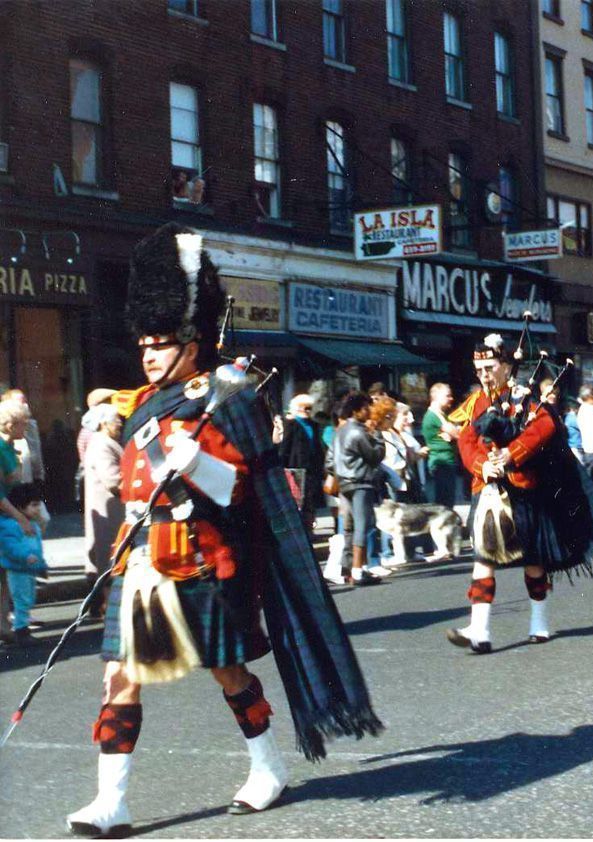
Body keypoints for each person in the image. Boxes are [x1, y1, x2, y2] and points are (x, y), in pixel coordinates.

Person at [67, 223, 380, 838]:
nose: (148, 354)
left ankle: (267, 768)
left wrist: (195, 463)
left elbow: (236, 488)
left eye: (161, 344)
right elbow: (134, 483)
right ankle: (113, 801)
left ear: (192, 343)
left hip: (202, 558)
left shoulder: (224, 397)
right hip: (144, 563)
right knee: (118, 676)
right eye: (144, 345)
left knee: (228, 673)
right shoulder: (140, 405)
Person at [445, 334, 593, 653]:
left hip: (522, 486)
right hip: (488, 488)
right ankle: (479, 630)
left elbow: (544, 427)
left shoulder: (525, 398)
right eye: (478, 368)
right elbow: (466, 443)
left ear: (506, 366)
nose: (483, 374)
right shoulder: (474, 404)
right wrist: (483, 466)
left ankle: (539, 620)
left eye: (489, 367)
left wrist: (512, 454)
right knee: (484, 557)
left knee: (532, 559)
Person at [330, 391, 386, 586]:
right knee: (363, 525)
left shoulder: (341, 431)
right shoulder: (357, 431)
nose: (368, 410)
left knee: (351, 526)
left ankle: (355, 568)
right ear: (356, 410)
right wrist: (378, 436)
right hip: (360, 480)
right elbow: (374, 455)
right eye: (365, 407)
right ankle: (358, 571)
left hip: (344, 481)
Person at [82, 404, 123, 621]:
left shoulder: (104, 442)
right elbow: (113, 479)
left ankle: (104, 606)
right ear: (104, 423)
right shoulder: (102, 445)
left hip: (109, 508)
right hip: (110, 511)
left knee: (108, 558)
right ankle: (108, 607)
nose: (120, 423)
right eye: (116, 419)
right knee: (109, 558)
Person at [0, 483, 49, 646]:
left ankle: (22, 627)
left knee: (28, 599)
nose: (37, 509)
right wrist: (25, 556)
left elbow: (37, 547)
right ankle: (21, 630)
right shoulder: (10, 525)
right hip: (17, 569)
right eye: (34, 505)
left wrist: (41, 564)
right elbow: (10, 546)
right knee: (22, 599)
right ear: (20, 507)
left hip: (28, 569)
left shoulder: (32, 524)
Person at [276, 393, 327, 538]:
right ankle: (299, 533)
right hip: (295, 469)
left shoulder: (314, 425)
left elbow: (318, 447)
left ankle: (309, 531)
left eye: (309, 408)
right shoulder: (290, 424)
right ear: (294, 408)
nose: (305, 410)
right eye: (302, 407)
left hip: (312, 470)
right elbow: (284, 448)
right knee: (297, 503)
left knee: (310, 503)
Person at [421, 383, 462, 508]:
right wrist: (453, 431)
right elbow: (457, 434)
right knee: (444, 504)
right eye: (447, 396)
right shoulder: (434, 416)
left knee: (447, 502)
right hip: (442, 464)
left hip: (447, 462)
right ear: (436, 397)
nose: (451, 398)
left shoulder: (441, 416)